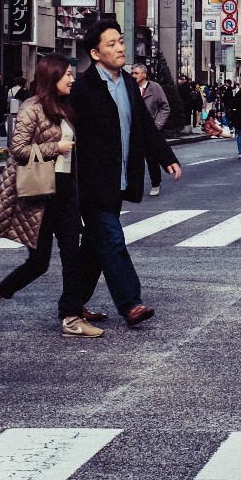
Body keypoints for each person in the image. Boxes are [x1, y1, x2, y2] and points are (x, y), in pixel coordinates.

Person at [63, 17, 182, 329]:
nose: (119, 48)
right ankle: (130, 304)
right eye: (111, 44)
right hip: (92, 182)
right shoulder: (85, 89)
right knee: (112, 238)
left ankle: (71, 304)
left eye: (120, 41)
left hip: (119, 179)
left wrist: (166, 157)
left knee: (94, 245)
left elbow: (143, 125)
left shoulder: (128, 83)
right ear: (95, 53)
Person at [0, 53, 95, 338]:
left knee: (72, 256)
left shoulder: (66, 106)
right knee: (39, 263)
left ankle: (71, 317)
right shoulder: (32, 108)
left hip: (66, 190)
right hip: (40, 193)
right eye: (67, 74)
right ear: (52, 77)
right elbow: (17, 149)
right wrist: (55, 147)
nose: (72, 79)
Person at [131, 64, 169, 196]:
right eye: (132, 73)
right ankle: (132, 187)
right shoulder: (131, 88)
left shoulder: (155, 88)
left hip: (150, 130)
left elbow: (165, 107)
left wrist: (156, 125)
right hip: (134, 130)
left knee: (152, 158)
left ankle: (155, 183)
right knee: (133, 159)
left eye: (136, 73)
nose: (133, 76)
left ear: (144, 74)